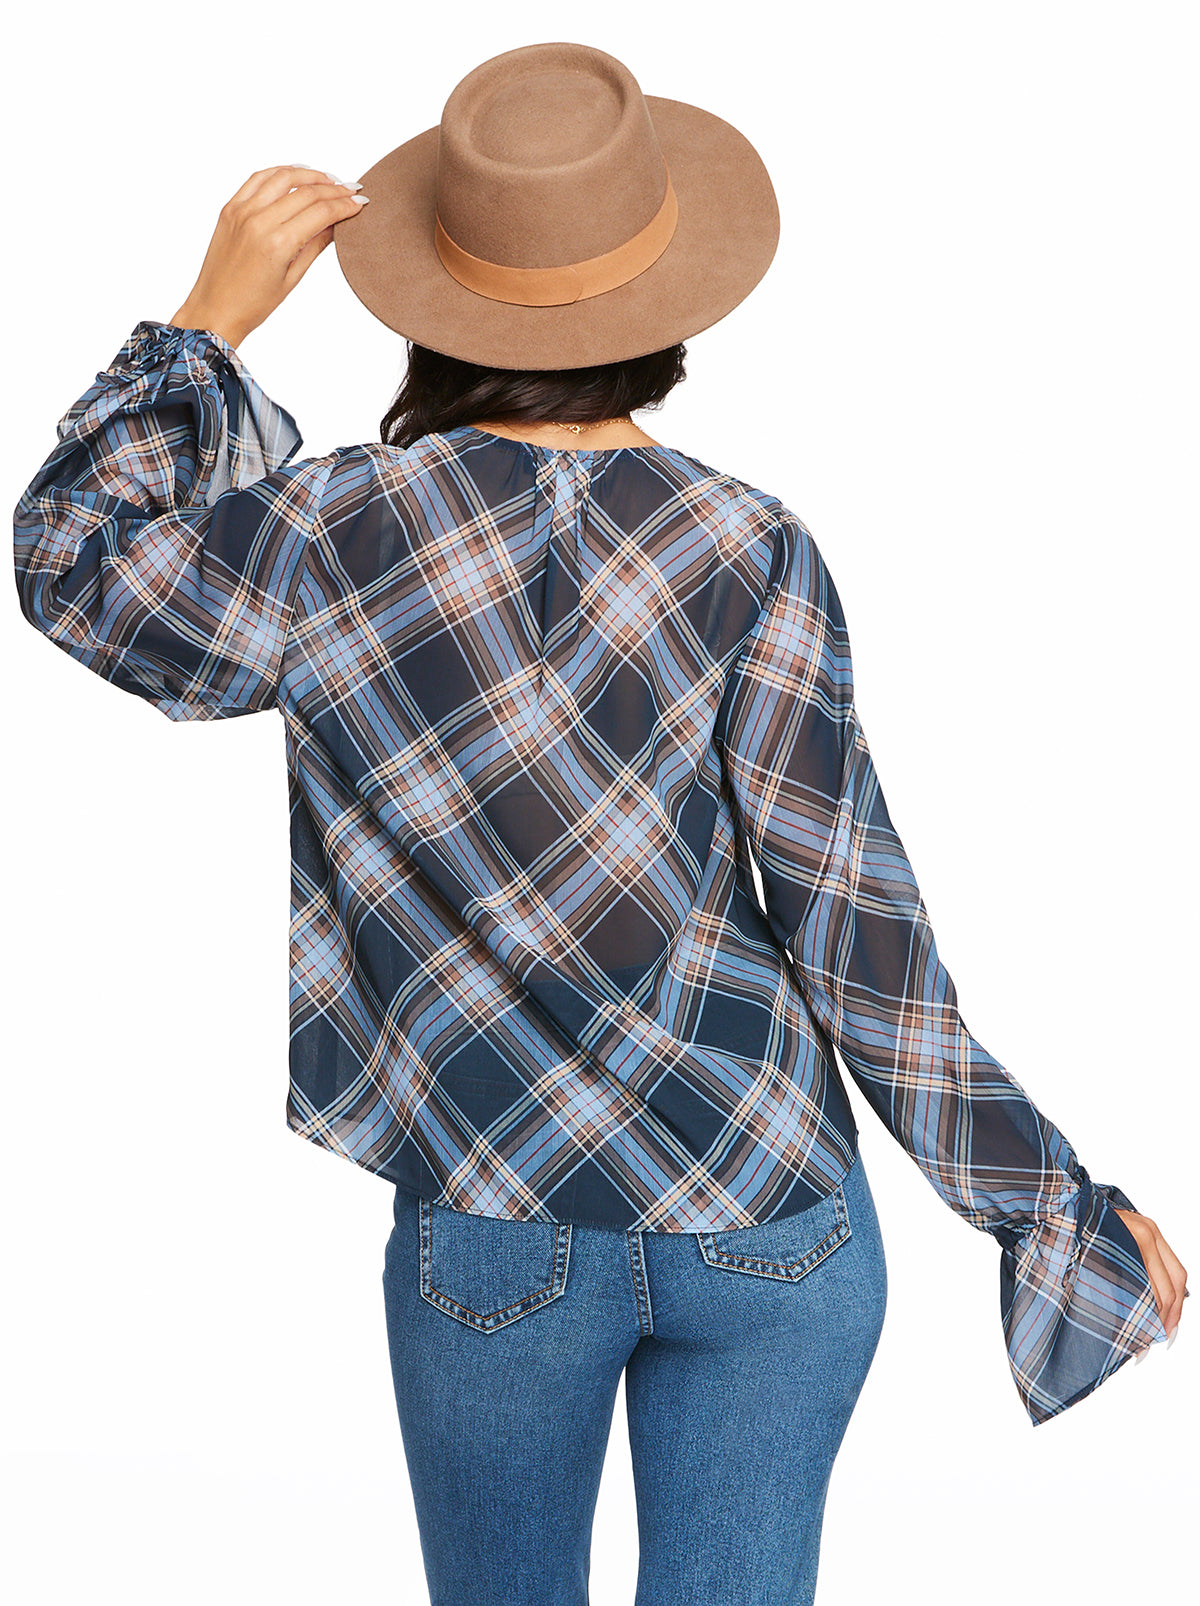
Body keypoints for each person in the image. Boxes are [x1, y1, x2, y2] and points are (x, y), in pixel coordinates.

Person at [13, 39, 1187, 1606]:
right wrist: (1049, 1206)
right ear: (666, 301)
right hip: (768, 1203)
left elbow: (75, 563)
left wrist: (206, 323)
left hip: (498, 1210)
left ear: (436, 296)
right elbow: (856, 924)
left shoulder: (329, 535)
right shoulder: (748, 544)